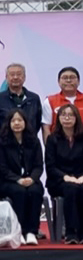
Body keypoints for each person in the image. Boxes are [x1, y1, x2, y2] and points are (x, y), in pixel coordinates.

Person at [0, 109, 44, 245]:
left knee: (35, 191)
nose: (17, 123)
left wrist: (32, 178)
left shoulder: (34, 141)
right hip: (9, 181)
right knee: (19, 192)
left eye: (20, 120)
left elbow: (39, 165)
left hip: (30, 179)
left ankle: (32, 231)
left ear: (25, 122)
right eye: (13, 121)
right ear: (9, 123)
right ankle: (19, 230)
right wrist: (18, 179)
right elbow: (3, 168)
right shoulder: (2, 142)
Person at [45, 104, 83, 244]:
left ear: (76, 118)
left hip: (80, 179)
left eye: (70, 115)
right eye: (63, 115)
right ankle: (71, 232)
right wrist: (65, 177)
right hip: (58, 180)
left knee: (80, 188)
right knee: (71, 188)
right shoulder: (52, 139)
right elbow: (50, 166)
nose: (67, 118)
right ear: (58, 118)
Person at [0, 63, 42, 152]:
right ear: (6, 78)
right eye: (12, 74)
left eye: (19, 74)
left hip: (30, 145)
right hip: (5, 147)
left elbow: (37, 122)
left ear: (24, 77)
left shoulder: (34, 98)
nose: (15, 77)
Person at [42, 66, 83, 141]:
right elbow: (46, 127)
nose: (68, 80)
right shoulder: (50, 101)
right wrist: (49, 146)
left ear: (79, 81)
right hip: (58, 144)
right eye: (65, 78)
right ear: (58, 82)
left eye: (72, 77)